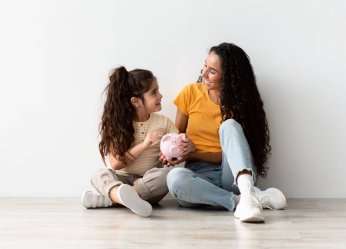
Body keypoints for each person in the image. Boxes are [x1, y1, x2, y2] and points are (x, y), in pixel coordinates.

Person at [163, 43, 287, 223]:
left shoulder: (241, 104)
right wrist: (172, 152)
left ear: (228, 77)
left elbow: (236, 153)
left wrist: (194, 152)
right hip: (201, 176)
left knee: (229, 125)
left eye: (212, 71)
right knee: (175, 179)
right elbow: (177, 136)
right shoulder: (190, 92)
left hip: (234, 174)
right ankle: (246, 200)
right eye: (205, 65)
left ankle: (245, 191)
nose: (203, 74)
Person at [81, 66, 178, 217]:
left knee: (170, 174)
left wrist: (183, 147)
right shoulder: (119, 124)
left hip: (147, 184)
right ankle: (123, 196)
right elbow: (116, 164)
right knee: (100, 174)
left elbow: (177, 146)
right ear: (135, 101)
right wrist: (145, 145)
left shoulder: (164, 123)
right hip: (122, 180)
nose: (160, 95)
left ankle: (112, 199)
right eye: (154, 92)